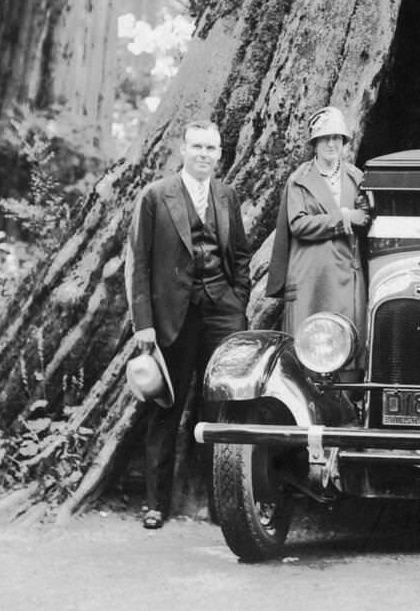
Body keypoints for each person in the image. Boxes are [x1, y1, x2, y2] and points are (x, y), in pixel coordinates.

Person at [128, 119, 251, 530]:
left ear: (220, 155)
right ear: (183, 150)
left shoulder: (226, 195)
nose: (204, 155)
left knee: (219, 406)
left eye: (211, 149)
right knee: (166, 408)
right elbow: (139, 262)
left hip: (221, 313)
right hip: (171, 318)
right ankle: (154, 504)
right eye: (197, 147)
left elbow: (240, 254)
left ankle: (219, 503)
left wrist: (237, 300)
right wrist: (143, 323)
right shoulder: (155, 196)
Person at [266, 106, 369, 329]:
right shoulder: (300, 180)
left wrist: (352, 217)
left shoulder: (356, 177)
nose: (331, 144)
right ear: (315, 143)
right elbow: (299, 224)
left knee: (347, 341)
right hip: (310, 275)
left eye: (337, 138)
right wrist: (342, 219)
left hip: (346, 272)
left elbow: (365, 216)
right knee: (309, 344)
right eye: (325, 139)